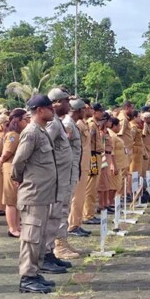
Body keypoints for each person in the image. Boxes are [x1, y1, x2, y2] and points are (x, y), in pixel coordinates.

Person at [12, 95, 59, 293]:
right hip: (33, 193)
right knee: (30, 237)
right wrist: (20, 179)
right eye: (49, 107)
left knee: (38, 237)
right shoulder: (31, 132)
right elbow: (18, 161)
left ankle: (35, 273)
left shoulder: (42, 131)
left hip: (43, 193)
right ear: (39, 110)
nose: (53, 110)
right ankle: (27, 277)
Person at [45, 88, 77, 264]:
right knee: (56, 212)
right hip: (56, 176)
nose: (68, 105)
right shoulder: (53, 124)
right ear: (56, 103)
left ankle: (62, 242)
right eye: (66, 101)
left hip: (63, 174)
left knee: (63, 210)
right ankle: (56, 246)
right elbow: (43, 147)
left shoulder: (58, 122)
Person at [0, 108, 28, 237]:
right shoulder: (13, 135)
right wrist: (1, 159)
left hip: (14, 168)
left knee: (16, 200)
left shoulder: (18, 134)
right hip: (10, 168)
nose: (27, 121)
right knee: (11, 200)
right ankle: (12, 228)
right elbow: (7, 153)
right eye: (25, 118)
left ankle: (17, 226)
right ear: (18, 120)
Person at [67, 99, 92, 237]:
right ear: (79, 110)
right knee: (77, 196)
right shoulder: (74, 124)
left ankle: (77, 222)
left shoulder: (82, 123)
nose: (87, 111)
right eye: (84, 109)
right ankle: (72, 225)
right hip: (78, 164)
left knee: (80, 196)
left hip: (84, 164)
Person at [83, 103, 105, 225]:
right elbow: (89, 142)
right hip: (92, 156)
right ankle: (88, 215)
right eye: (99, 111)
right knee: (90, 187)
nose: (101, 113)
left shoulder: (95, 124)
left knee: (94, 186)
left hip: (96, 155)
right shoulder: (91, 124)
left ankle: (90, 213)